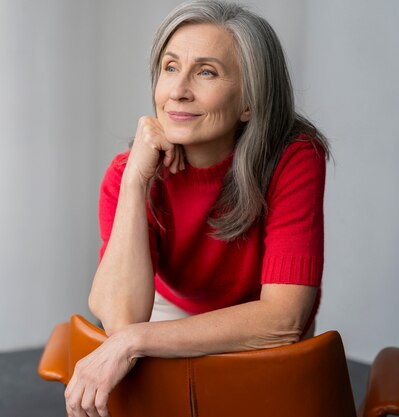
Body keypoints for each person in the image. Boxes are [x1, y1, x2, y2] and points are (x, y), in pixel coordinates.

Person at [65, 1, 329, 416]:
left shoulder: (292, 157)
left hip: (257, 319)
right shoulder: (127, 173)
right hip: (166, 309)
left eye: (206, 72)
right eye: (170, 68)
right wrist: (135, 182)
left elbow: (282, 319)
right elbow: (120, 318)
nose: (177, 90)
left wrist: (135, 340)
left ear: (249, 101)